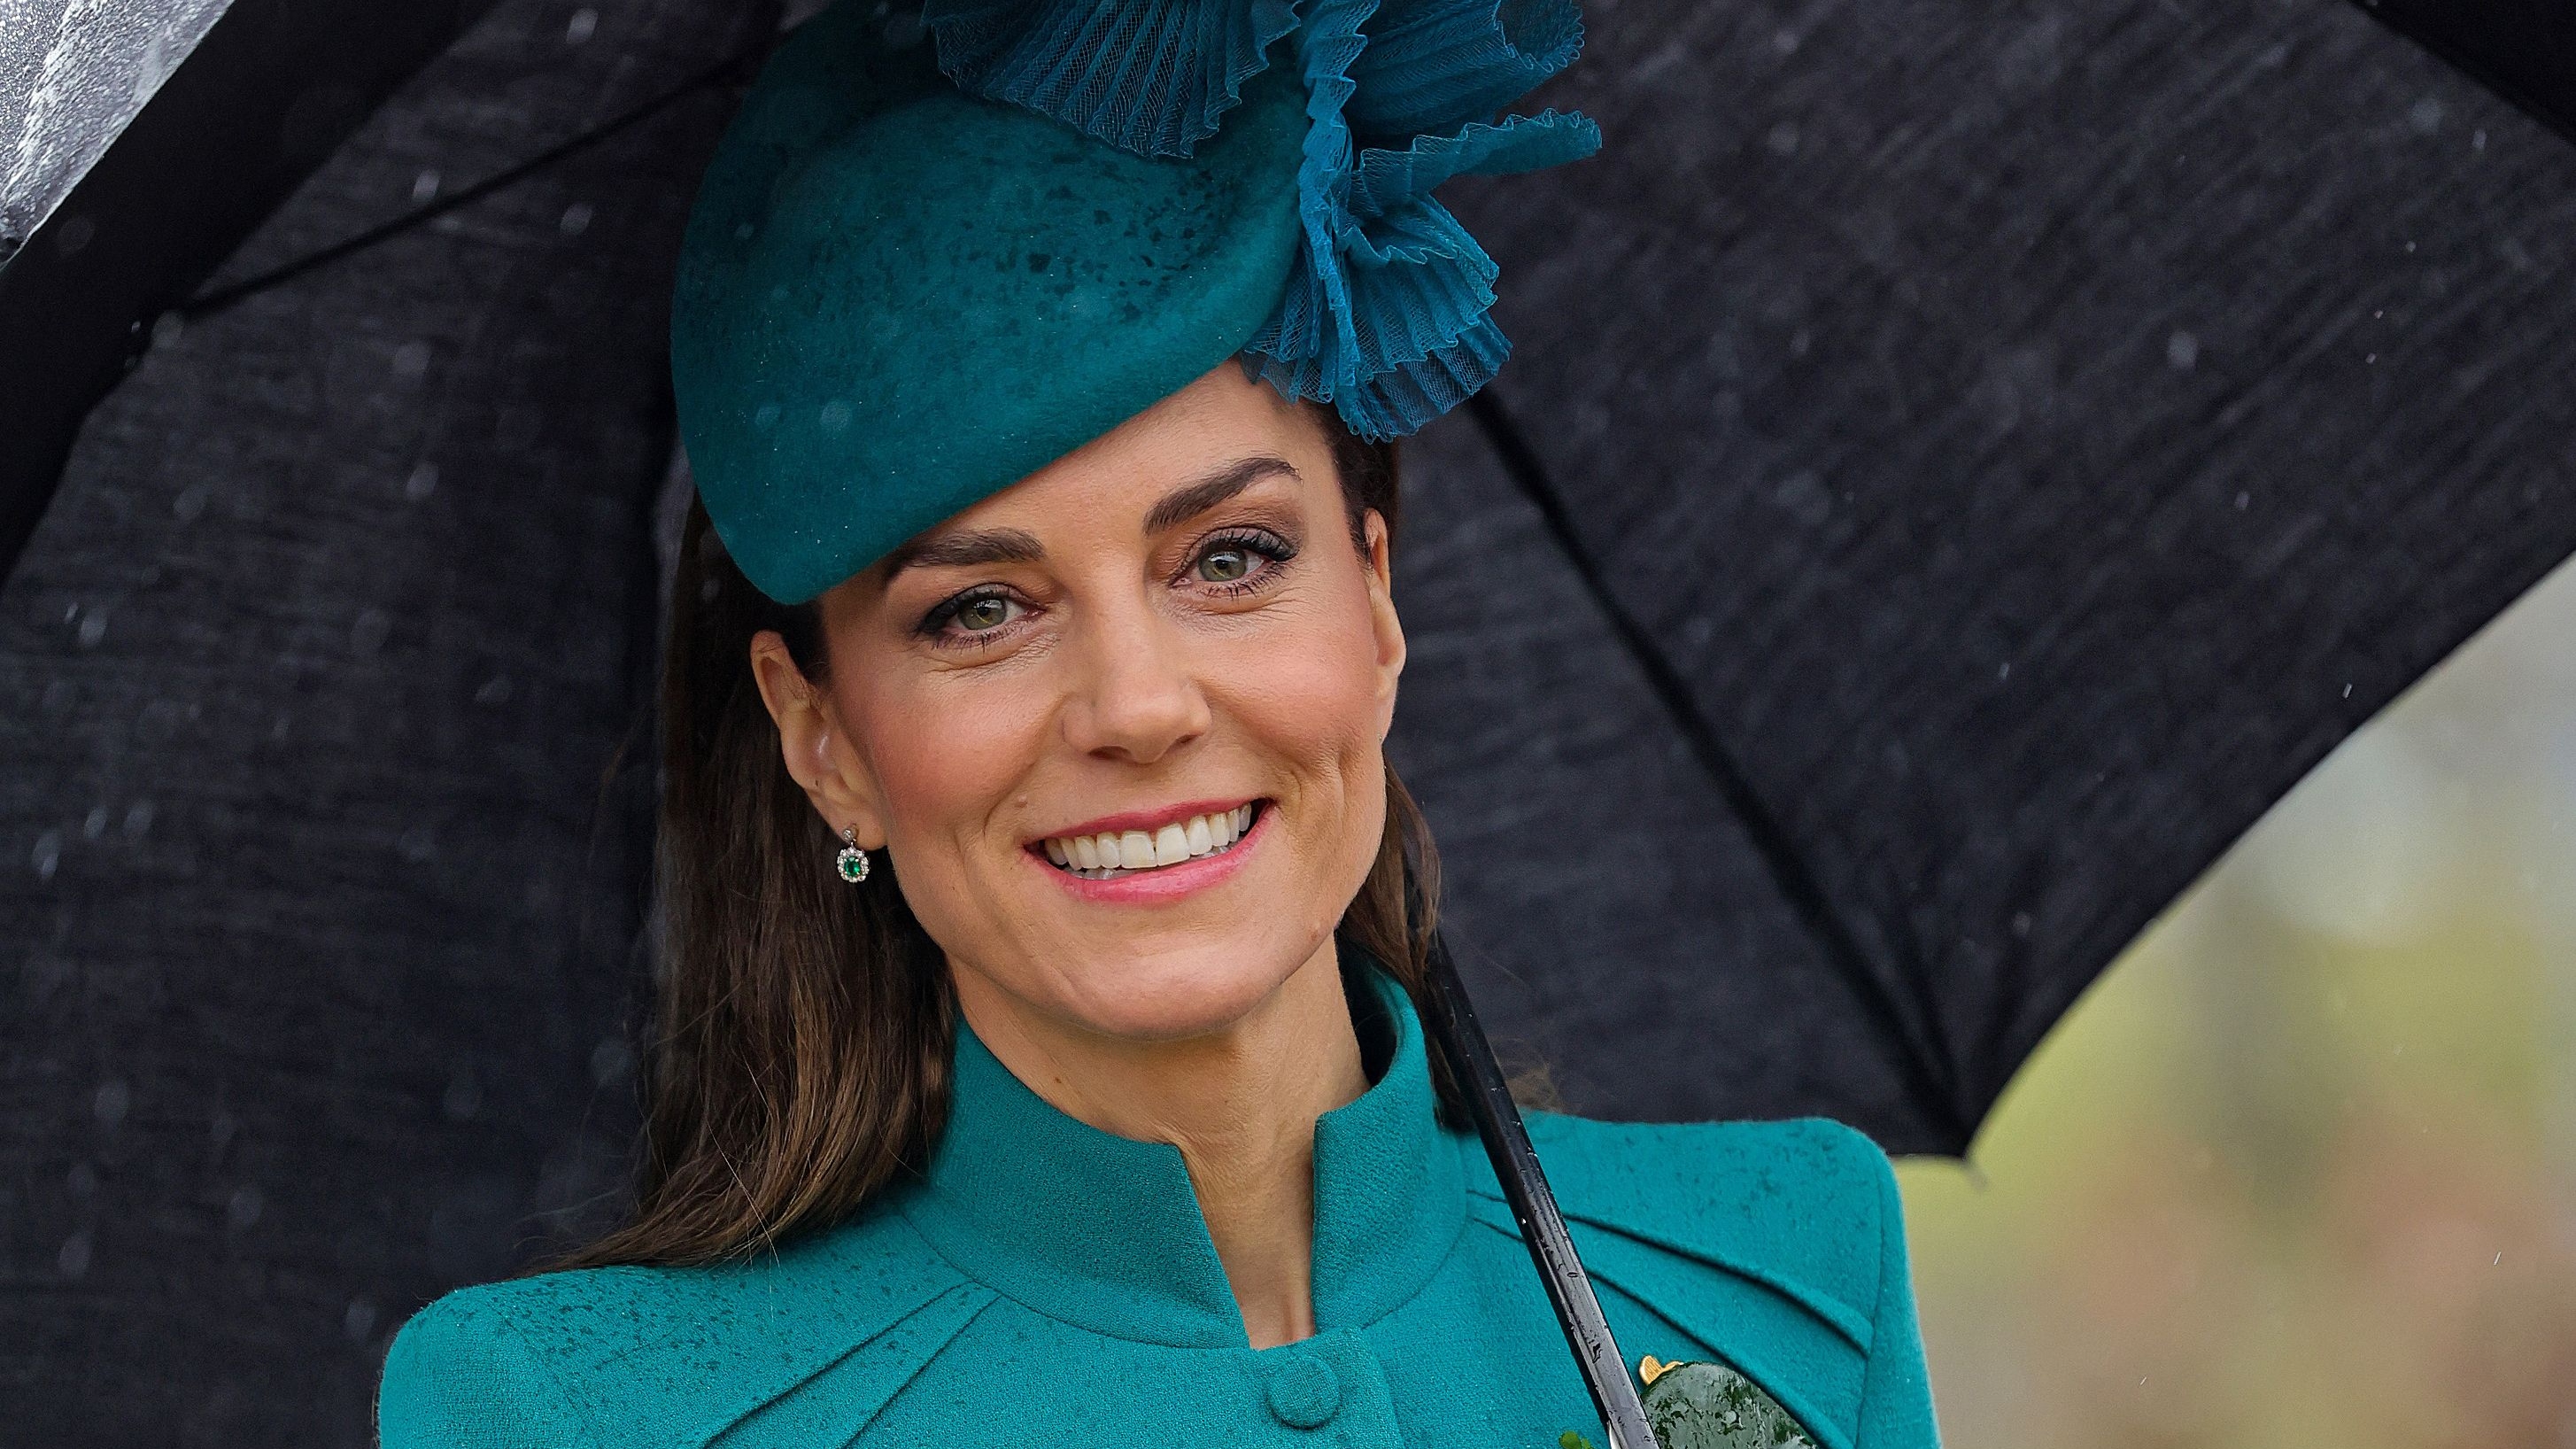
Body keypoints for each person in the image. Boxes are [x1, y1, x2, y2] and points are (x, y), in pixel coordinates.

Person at [376, 3, 1941, 1445]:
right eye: (978, 610)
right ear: (824, 742)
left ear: (1375, 606)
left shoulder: (1793, 1270)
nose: (1136, 706)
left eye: (1231, 559)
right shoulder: (569, 1414)